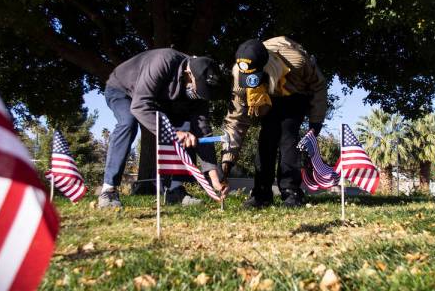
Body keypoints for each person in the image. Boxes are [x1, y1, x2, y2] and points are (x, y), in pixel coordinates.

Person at [99, 49, 229, 208]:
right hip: (123, 89)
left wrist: (212, 172)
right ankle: (109, 190)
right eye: (197, 89)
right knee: (128, 122)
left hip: (161, 100)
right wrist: (174, 133)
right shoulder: (162, 62)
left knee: (187, 129)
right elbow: (139, 106)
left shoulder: (200, 90)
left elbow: (202, 129)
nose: (198, 94)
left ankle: (175, 191)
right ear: (189, 74)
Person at [221, 37, 327, 208]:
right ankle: (261, 193)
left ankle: (291, 191)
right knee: (267, 138)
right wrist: (227, 159)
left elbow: (319, 86)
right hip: (268, 96)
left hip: (295, 90)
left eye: (255, 76)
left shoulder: (296, 61)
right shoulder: (240, 78)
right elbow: (236, 119)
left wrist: (316, 122)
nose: (250, 81)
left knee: (287, 134)